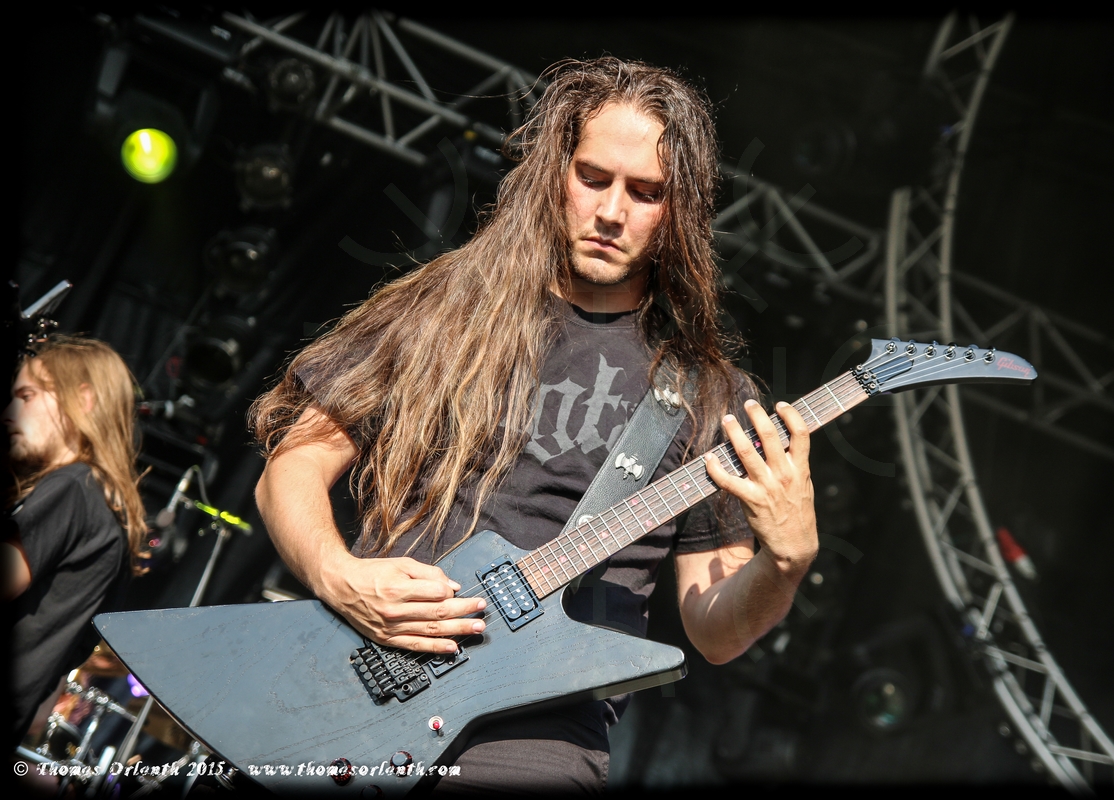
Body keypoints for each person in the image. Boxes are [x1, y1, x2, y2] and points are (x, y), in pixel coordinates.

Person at [251, 57, 818, 793]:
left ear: (679, 211)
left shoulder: (708, 395)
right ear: (556, 173)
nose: (611, 212)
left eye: (646, 192)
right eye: (594, 178)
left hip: (534, 742)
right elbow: (294, 463)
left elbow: (715, 631)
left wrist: (785, 563)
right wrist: (340, 575)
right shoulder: (445, 308)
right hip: (357, 682)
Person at [3, 336, 147, 749]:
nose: (10, 412)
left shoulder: (71, 487)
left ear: (83, 400)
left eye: (27, 396)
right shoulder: (107, 511)